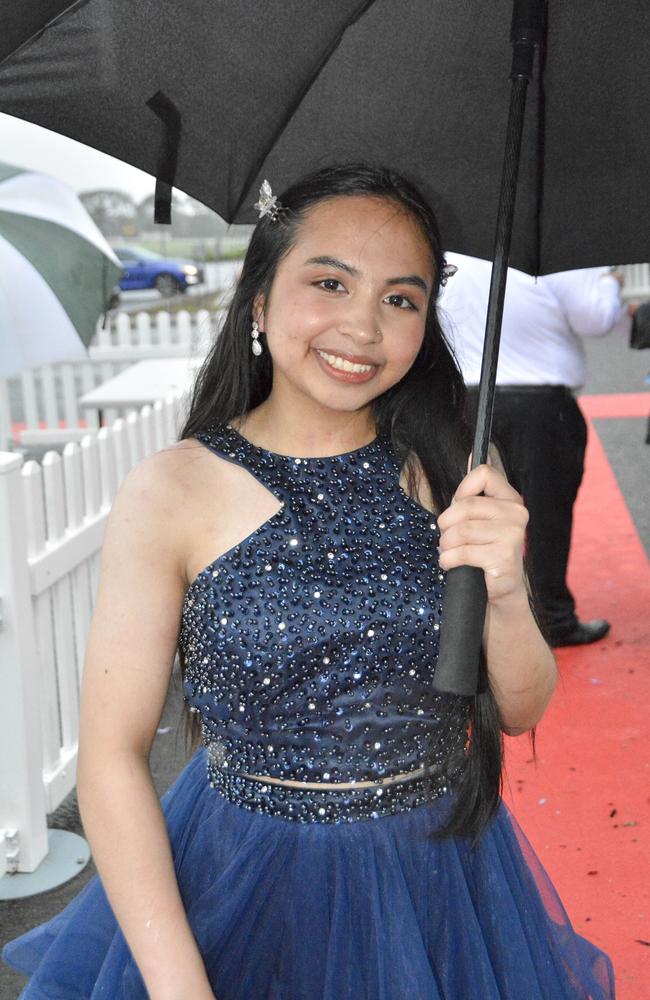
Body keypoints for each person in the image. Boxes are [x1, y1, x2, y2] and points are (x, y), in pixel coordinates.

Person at [2, 165, 615, 1000]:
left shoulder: (456, 469)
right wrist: (180, 986)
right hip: (238, 878)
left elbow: (520, 706)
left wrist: (504, 590)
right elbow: (111, 755)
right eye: (330, 282)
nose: (363, 328)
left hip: (441, 879)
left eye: (401, 299)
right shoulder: (172, 488)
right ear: (259, 300)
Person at [440, 253, 630, 647]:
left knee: (463, 512)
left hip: (464, 398)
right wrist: (610, 279)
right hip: (539, 403)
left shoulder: (454, 246)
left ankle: (462, 621)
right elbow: (595, 316)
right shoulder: (555, 248)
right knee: (546, 515)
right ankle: (552, 617)